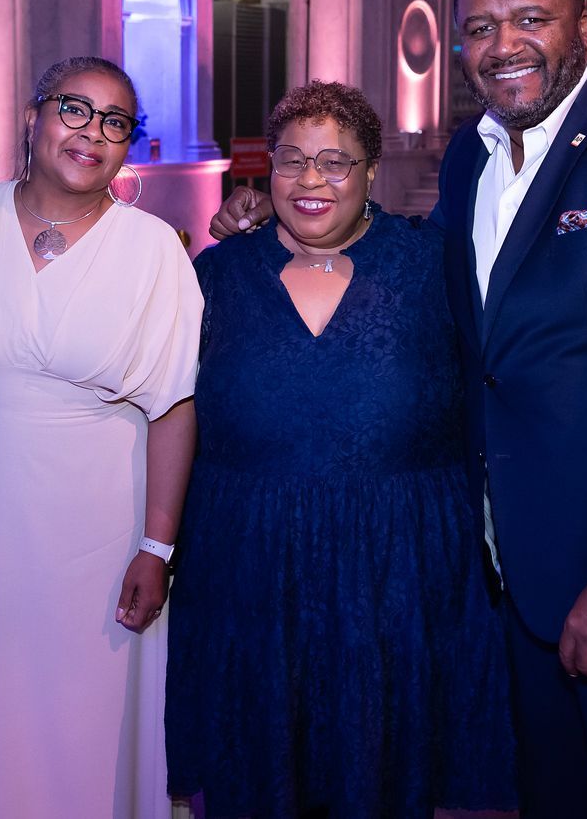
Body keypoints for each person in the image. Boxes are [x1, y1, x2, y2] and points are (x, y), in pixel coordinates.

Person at [213, 0, 587, 818]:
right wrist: (284, 220)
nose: (503, 44)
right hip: (516, 569)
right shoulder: (471, 152)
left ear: (582, 24)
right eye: (479, 27)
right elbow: (426, 272)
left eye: (530, 19)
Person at [168, 82, 518, 818]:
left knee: (382, 763)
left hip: (396, 565)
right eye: (292, 160)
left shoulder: (432, 267)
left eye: (335, 161)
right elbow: (170, 409)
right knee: (256, 762)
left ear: (370, 171)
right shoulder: (217, 275)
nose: (312, 179)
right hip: (249, 565)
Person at [0, 57, 200, 819]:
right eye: (75, 109)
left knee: (87, 724)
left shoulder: (153, 248)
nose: (92, 133)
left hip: (102, 533)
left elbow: (173, 406)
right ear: (32, 116)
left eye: (115, 121)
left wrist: (157, 547)